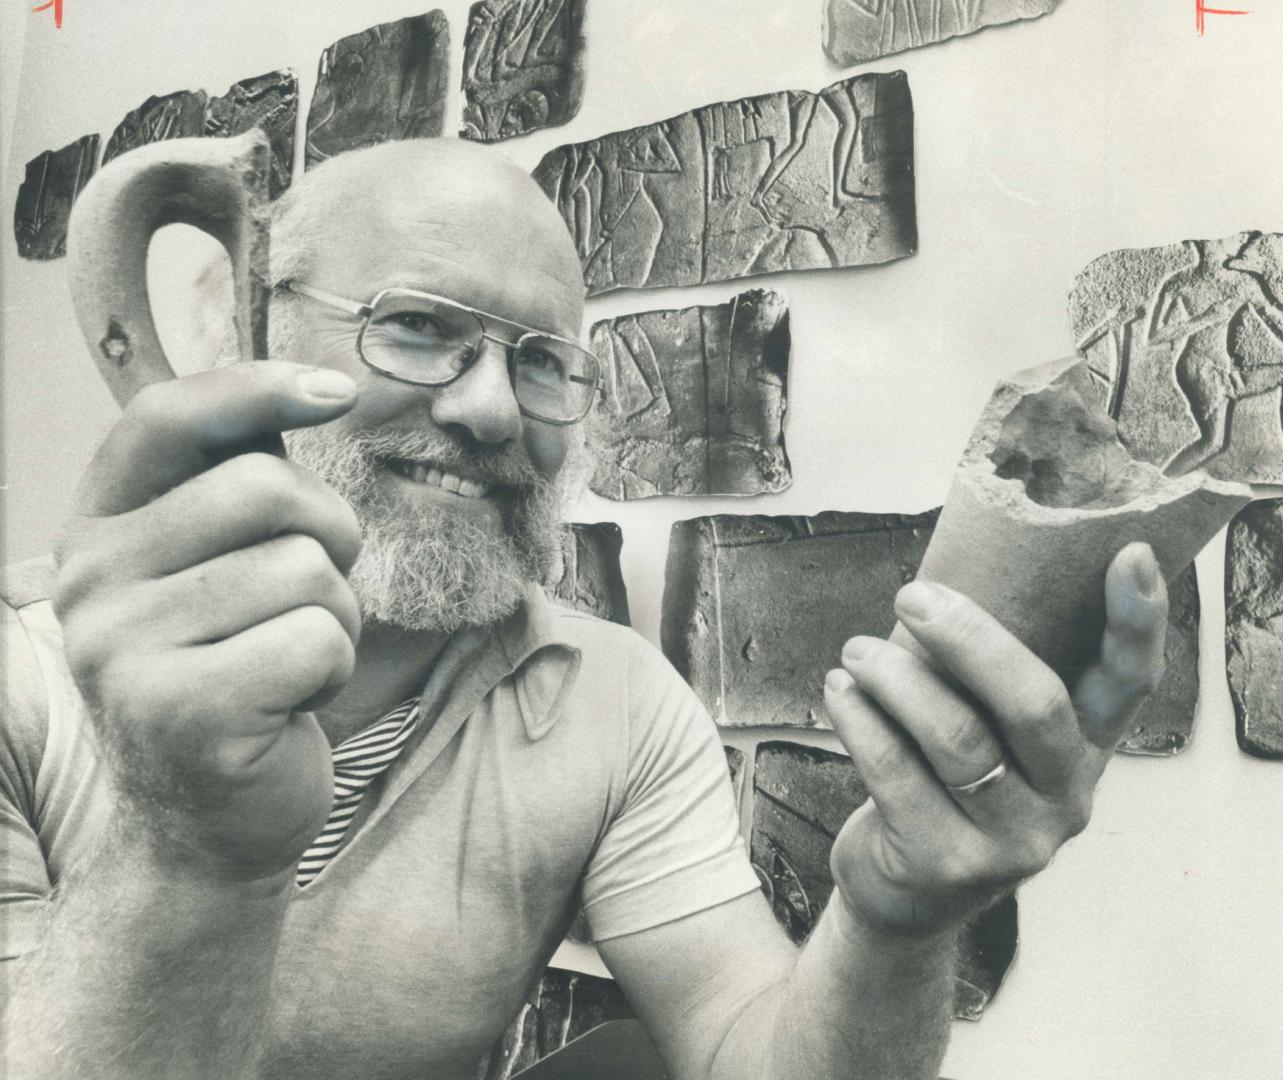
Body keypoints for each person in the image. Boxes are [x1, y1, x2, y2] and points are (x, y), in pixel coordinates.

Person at [0, 138, 1169, 1080]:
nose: (495, 411)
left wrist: (898, 921)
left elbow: (746, 1056)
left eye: (546, 361)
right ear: (253, 338)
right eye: (417, 326)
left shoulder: (610, 704)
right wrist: (193, 850)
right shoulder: (25, 680)